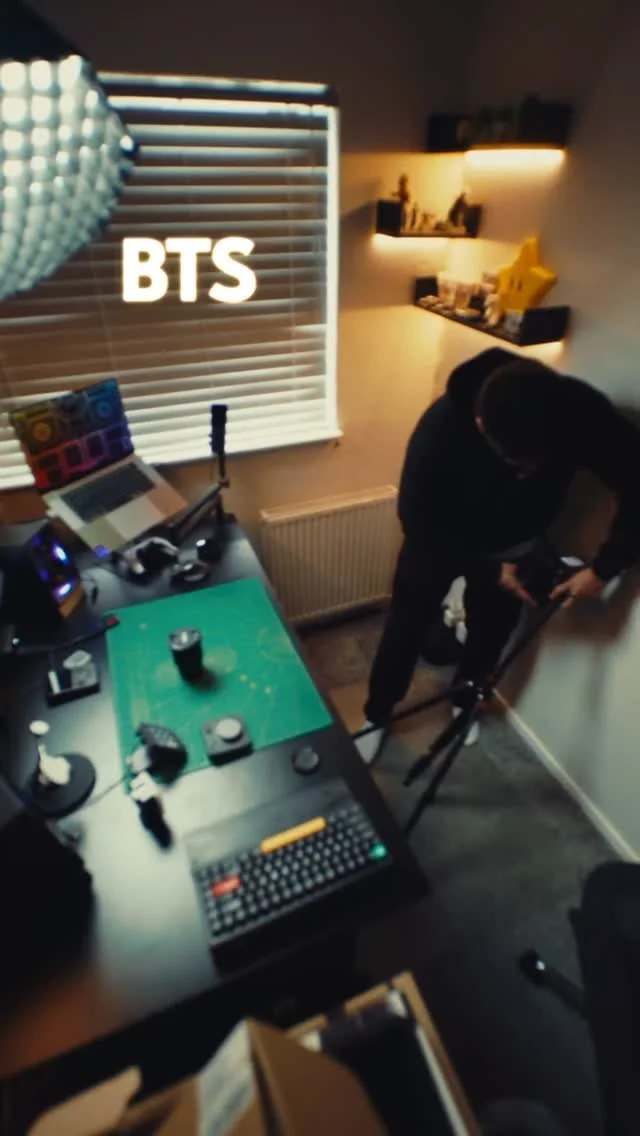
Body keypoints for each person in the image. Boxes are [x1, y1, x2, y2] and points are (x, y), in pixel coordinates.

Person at [357, 347, 640, 765]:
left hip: (515, 540)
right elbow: (417, 521)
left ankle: (465, 702)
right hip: (438, 536)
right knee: (407, 624)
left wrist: (603, 569)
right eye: (515, 463)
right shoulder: (441, 429)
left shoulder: (579, 412)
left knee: (490, 631)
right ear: (481, 425)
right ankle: (377, 712)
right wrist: (490, 569)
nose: (528, 474)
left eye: (541, 464)